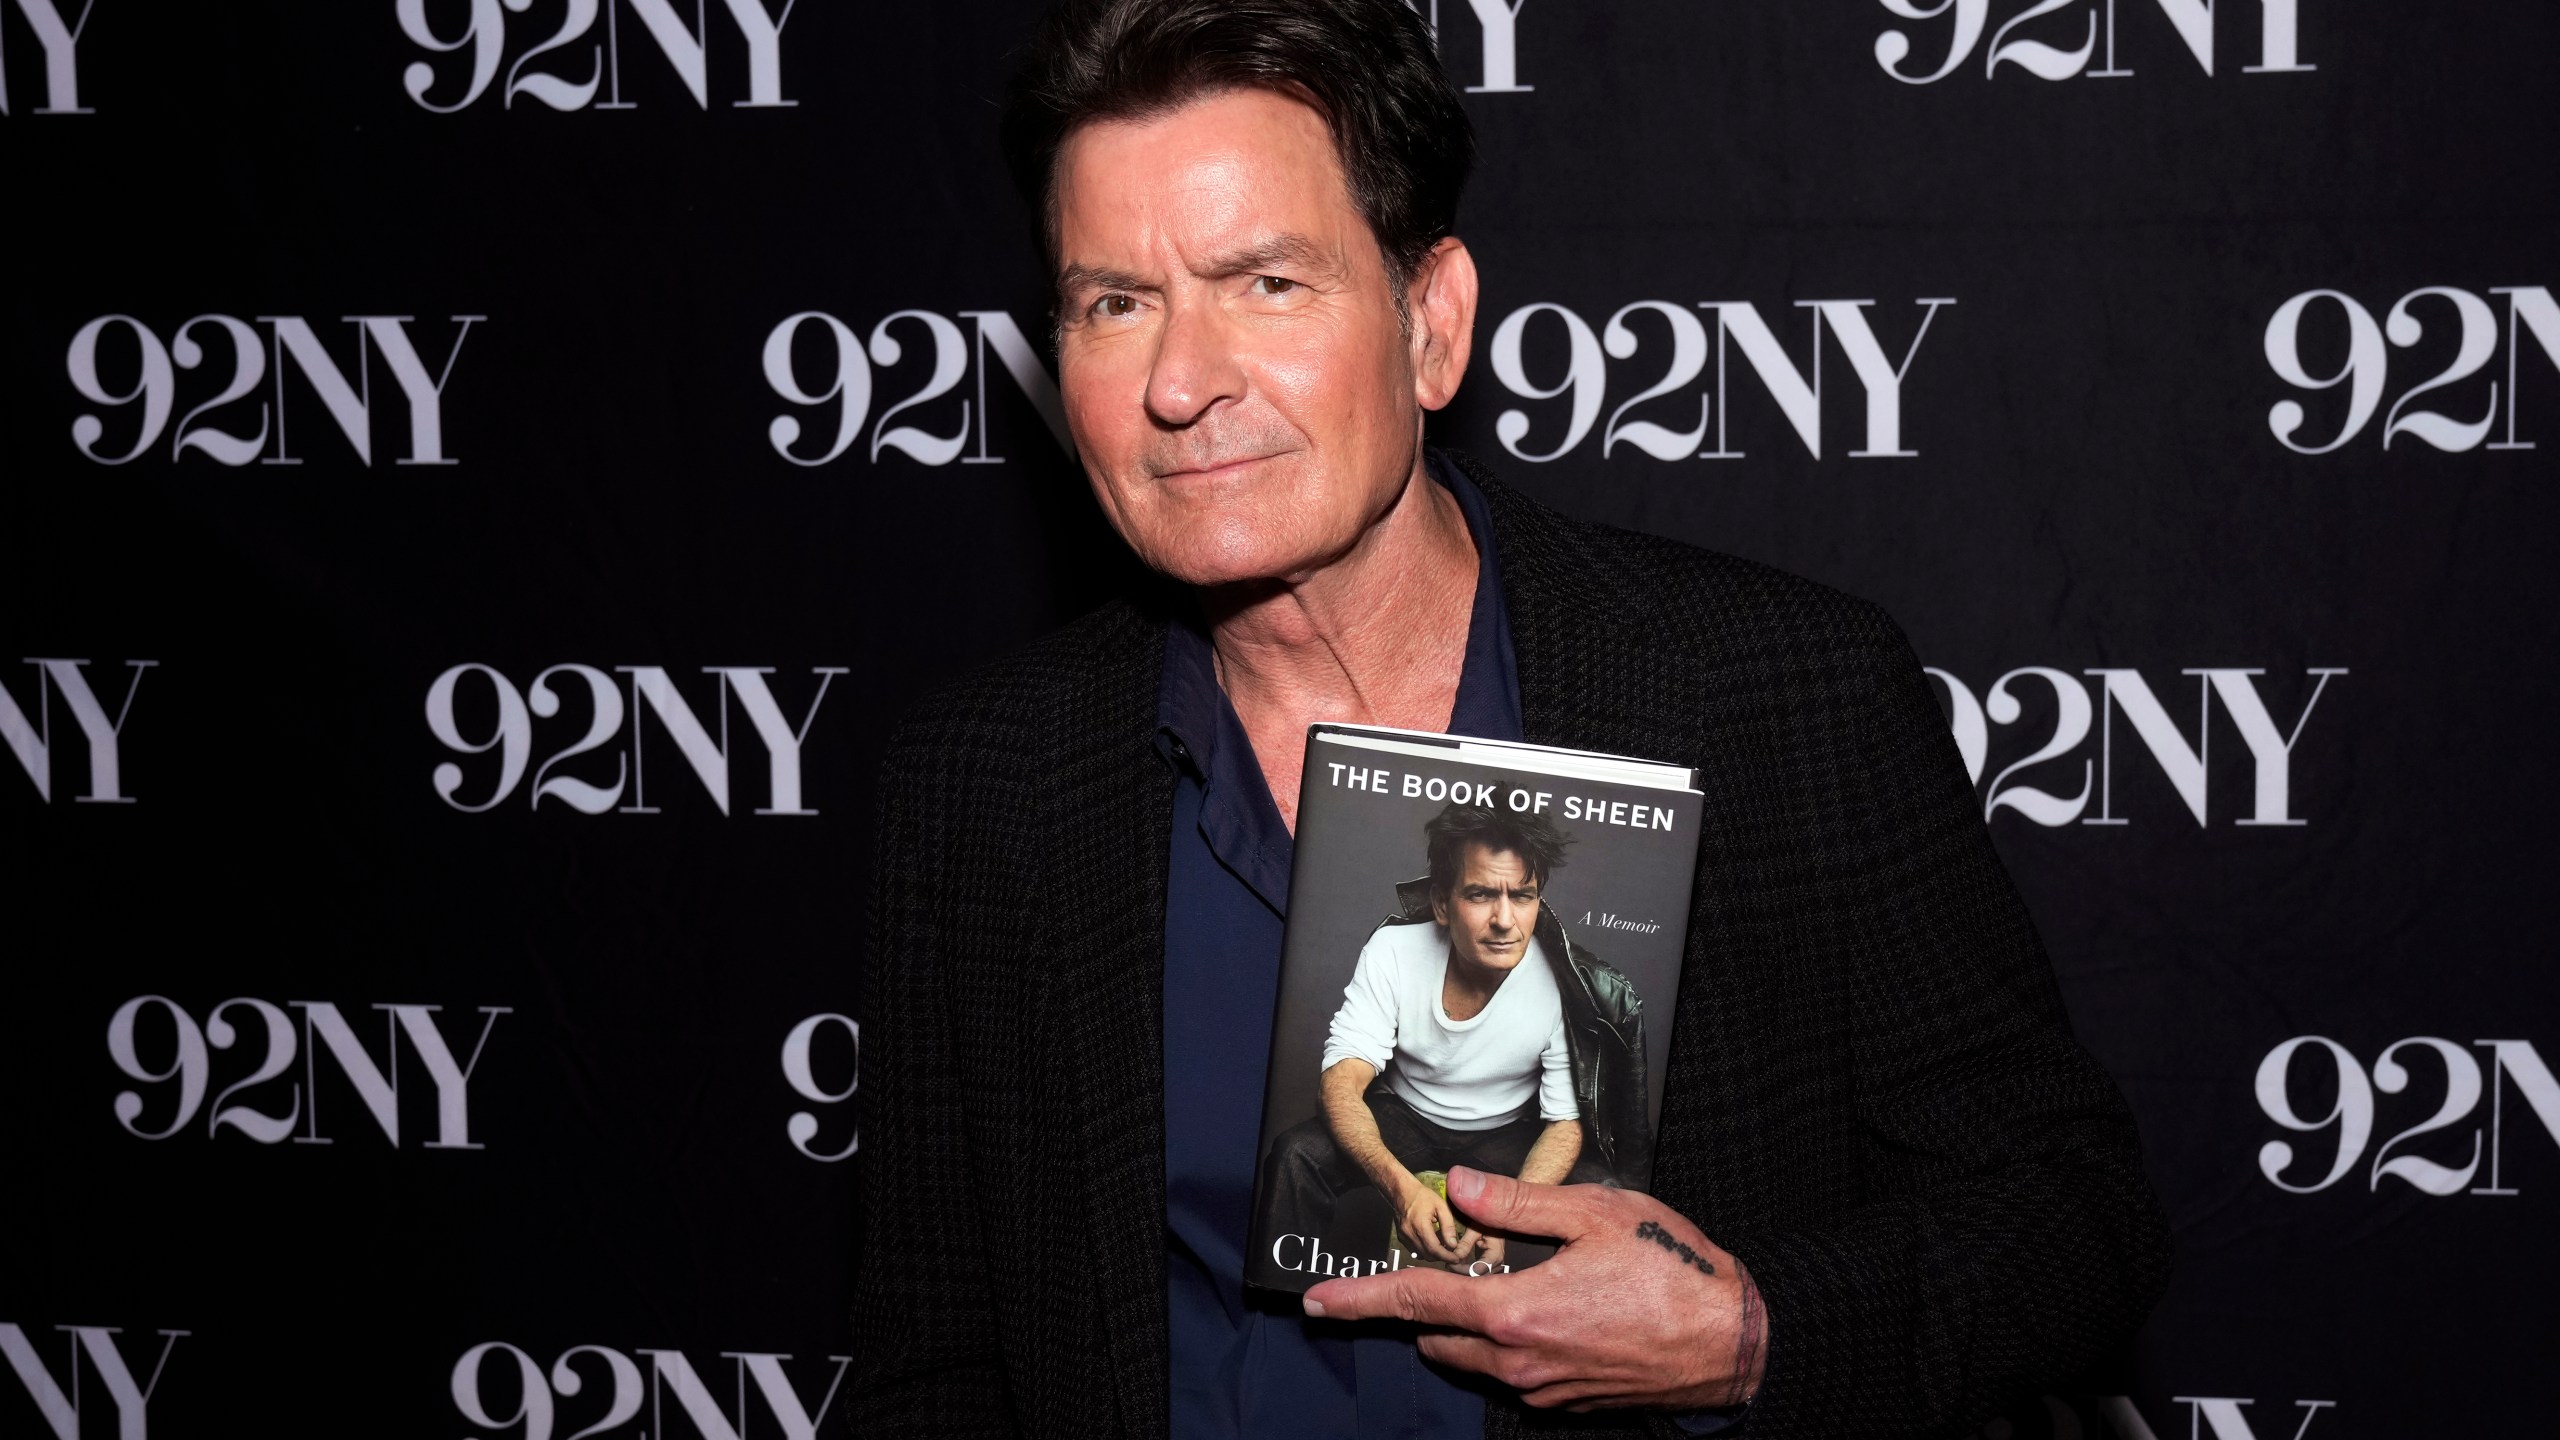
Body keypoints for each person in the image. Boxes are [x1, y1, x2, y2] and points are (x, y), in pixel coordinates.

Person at [850, 0, 2173, 1435]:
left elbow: (2072, 1219)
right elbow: (939, 1362)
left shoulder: (1778, 695)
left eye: (1266, 284)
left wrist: (1751, 1334)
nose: (1181, 384)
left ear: (1433, 325)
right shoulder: (986, 782)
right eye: (1116, 303)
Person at [1252, 803, 1636, 1276]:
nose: (1504, 920)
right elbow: (1340, 1083)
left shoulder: (1563, 981)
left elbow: (1564, 1124)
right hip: (1405, 1118)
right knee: (1296, 1155)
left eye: (1522, 896)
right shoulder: (1394, 951)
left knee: (1610, 1195)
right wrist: (1400, 1189)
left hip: (1506, 1134)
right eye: (1479, 895)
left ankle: (1578, 1343)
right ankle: (1281, 1307)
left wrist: (1508, 1215)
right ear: (1441, 903)